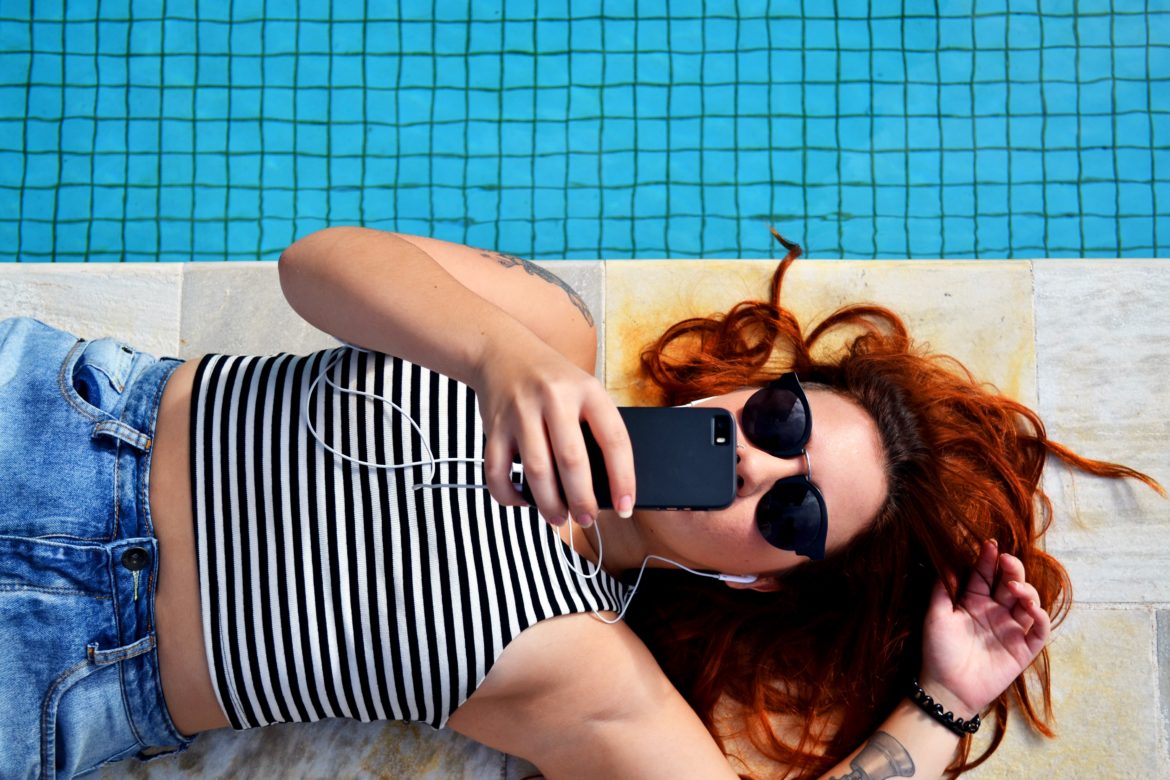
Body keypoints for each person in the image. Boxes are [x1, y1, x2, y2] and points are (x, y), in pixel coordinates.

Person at [0, 227, 1159, 780]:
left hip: (65, 664)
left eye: (796, 516)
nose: (760, 466)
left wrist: (941, 704)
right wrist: (501, 357)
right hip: (62, 421)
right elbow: (316, 267)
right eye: (787, 423)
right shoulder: (548, 334)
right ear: (759, 386)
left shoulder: (594, 671)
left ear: (763, 575)